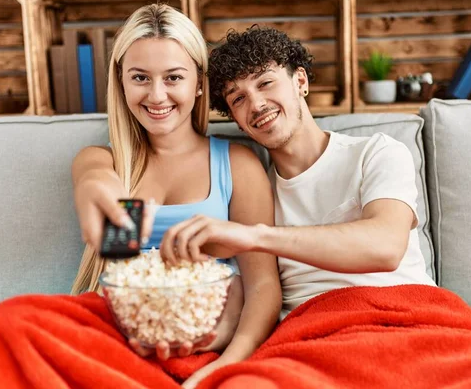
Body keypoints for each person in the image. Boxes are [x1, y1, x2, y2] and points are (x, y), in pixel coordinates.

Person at [0, 6, 281, 389]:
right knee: (8, 322)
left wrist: (221, 367)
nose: (156, 94)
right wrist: (104, 198)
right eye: (140, 78)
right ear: (122, 82)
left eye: (173, 77)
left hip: (209, 348)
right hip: (117, 337)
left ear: (199, 83)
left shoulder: (237, 164)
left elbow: (263, 285)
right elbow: (100, 192)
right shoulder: (109, 162)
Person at [158, 26, 436, 319]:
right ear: (236, 121)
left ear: (300, 81)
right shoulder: (251, 197)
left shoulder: (377, 153)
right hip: (315, 328)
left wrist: (255, 236)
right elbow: (252, 291)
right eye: (238, 99)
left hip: (410, 311)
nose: (256, 104)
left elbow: (385, 247)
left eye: (265, 83)